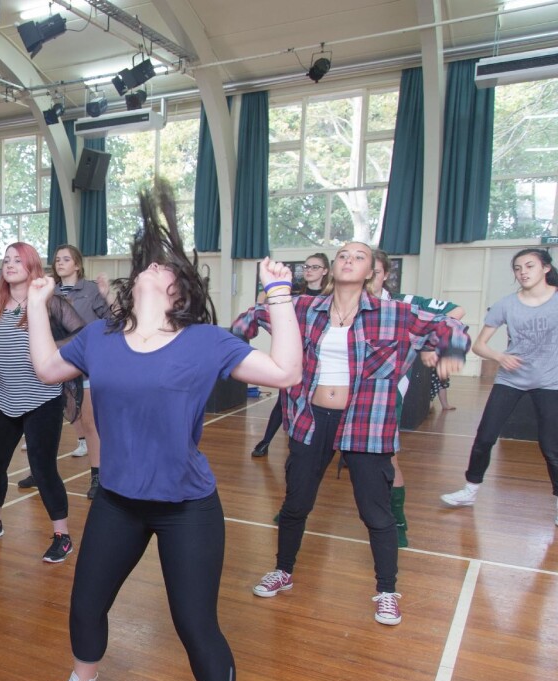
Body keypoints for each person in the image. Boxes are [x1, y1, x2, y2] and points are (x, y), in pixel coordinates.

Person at [25, 180, 303, 681]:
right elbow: (47, 368)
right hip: (118, 502)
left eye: (164, 264)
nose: (152, 267)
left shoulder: (204, 343)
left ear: (178, 288)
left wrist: (280, 295)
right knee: (86, 604)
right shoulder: (101, 340)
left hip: (186, 506)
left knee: (194, 621)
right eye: (146, 261)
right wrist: (34, 302)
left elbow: (285, 371)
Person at [233, 241, 470, 626]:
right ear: (331, 267)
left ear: (375, 270)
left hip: (366, 422)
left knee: (375, 512)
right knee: (295, 504)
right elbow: (254, 314)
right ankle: (283, 570)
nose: (349, 260)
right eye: (343, 255)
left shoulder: (395, 313)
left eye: (359, 256)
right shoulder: (303, 308)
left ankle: (388, 590)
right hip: (310, 419)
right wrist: (231, 345)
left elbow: (452, 324)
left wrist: (451, 352)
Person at [0, 242, 86, 562]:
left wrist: (52, 352)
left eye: (18, 259)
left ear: (31, 266)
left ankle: (62, 535)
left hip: (43, 398)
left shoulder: (49, 304)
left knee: (43, 470)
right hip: (6, 399)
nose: (10, 264)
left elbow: (84, 335)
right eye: (6, 259)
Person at [441, 248, 558, 525]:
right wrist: (499, 356)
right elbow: (479, 345)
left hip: (550, 381)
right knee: (484, 437)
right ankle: (470, 490)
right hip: (511, 379)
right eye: (517, 268)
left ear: (545, 268)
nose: (523, 272)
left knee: (552, 447)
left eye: (529, 266)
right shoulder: (507, 304)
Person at [368, 249, 465, 546]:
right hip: (340, 392)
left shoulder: (405, 304)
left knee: (388, 458)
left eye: (374, 270)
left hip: (385, 394)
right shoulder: (341, 305)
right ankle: (295, 507)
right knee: (312, 452)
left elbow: (456, 311)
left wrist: (427, 344)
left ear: (385, 274)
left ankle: (398, 521)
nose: (367, 275)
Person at [17, 244, 110, 498]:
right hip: (56, 361)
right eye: (57, 259)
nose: (60, 263)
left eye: (66, 259)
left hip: (85, 363)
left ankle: (97, 476)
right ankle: (40, 471)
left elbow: (110, 321)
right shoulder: (49, 290)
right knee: (47, 420)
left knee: (89, 422)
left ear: (77, 265)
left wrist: (106, 294)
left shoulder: (91, 290)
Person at [251, 251, 331, 458]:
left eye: (314, 267)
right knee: (283, 402)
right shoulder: (291, 293)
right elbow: (267, 309)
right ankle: (265, 441)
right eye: (306, 267)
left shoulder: (332, 296)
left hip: (321, 358)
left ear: (325, 271)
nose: (309, 271)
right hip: (296, 355)